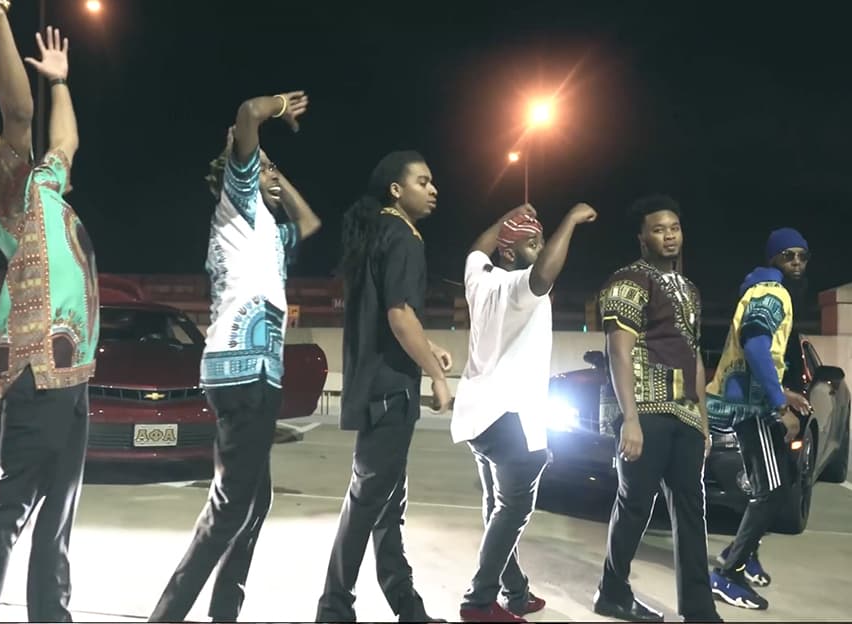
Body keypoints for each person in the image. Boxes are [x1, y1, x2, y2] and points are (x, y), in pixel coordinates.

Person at [148, 91, 321, 623]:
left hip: (259, 372)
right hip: (239, 368)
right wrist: (277, 110)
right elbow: (248, 113)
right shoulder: (237, 205)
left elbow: (310, 223)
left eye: (271, 170)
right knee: (228, 510)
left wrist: (278, 175)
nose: (269, 175)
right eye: (262, 168)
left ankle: (225, 609)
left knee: (255, 500)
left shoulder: (271, 231)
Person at [0, 3, 99, 621]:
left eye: (4, 151)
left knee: (59, 511)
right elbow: (18, 113)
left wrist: (60, 80)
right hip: (37, 367)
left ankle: (51, 613)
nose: (6, 154)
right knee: (10, 506)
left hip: (73, 371)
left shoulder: (43, 184)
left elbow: (64, 142)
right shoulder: (5, 199)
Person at [315, 150, 450, 623]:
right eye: (423, 181)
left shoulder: (377, 232)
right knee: (368, 503)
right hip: (392, 393)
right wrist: (436, 375)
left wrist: (428, 348)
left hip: (377, 388)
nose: (433, 190)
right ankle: (334, 608)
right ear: (396, 189)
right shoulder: (405, 237)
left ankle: (406, 607)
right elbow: (399, 315)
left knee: (386, 505)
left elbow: (386, 316)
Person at [452, 201, 597, 622]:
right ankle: (479, 601)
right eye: (533, 243)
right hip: (512, 419)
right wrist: (570, 221)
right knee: (513, 510)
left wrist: (506, 217)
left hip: (478, 415)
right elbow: (544, 274)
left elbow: (476, 249)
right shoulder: (519, 288)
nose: (542, 248)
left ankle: (515, 591)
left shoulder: (479, 278)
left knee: (496, 505)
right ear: (510, 252)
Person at [593, 195, 722, 623]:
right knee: (635, 505)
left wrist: (703, 421)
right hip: (645, 410)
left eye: (675, 228)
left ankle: (699, 609)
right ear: (642, 237)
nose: (669, 236)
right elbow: (618, 351)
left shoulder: (689, 289)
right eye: (659, 229)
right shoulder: (627, 281)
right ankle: (612, 592)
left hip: (684, 414)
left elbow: (695, 356)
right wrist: (629, 419)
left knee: (691, 509)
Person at [706, 228, 811, 610]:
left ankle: (742, 552)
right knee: (772, 490)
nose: (796, 262)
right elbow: (754, 347)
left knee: (768, 486)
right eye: (788, 255)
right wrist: (779, 405)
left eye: (802, 256)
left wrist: (781, 391)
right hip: (750, 408)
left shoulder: (763, 289)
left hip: (750, 402)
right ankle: (727, 574)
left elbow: (764, 353)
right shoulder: (771, 292)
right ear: (773, 259)